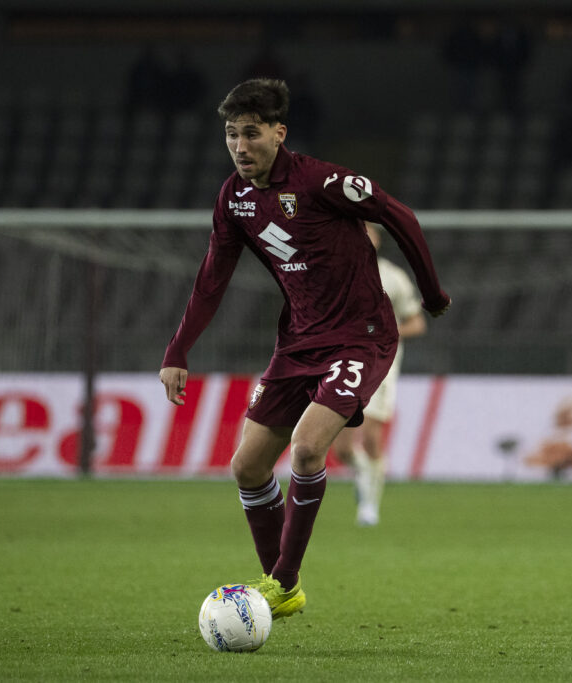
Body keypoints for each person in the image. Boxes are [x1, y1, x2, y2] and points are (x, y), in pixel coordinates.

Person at [159, 79, 450, 618]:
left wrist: (431, 293)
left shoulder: (323, 181)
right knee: (246, 467)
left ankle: (283, 580)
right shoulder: (235, 198)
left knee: (309, 447)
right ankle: (282, 590)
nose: (240, 147)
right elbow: (210, 279)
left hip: (360, 336)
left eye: (251, 134)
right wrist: (178, 350)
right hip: (298, 341)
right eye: (230, 135)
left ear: (278, 132)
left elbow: (400, 215)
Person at [330, 222, 426, 527]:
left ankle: (369, 506)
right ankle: (363, 474)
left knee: (371, 436)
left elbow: (417, 323)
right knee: (342, 448)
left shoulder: (394, 278)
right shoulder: (333, 274)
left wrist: (386, 330)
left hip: (381, 366)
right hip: (344, 366)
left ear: (377, 240)